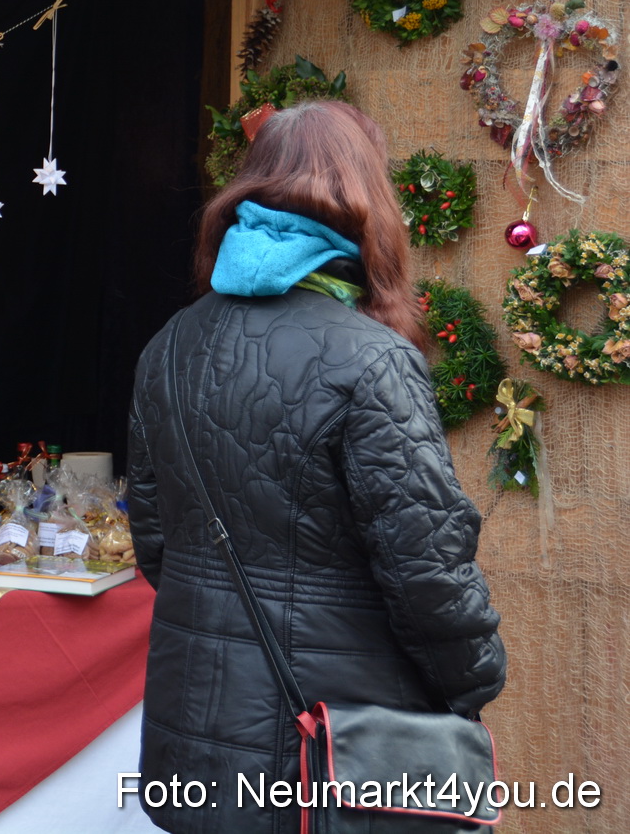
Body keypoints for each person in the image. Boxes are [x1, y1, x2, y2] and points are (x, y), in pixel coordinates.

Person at [126, 101, 505, 833]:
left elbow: (156, 546)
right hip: (325, 753)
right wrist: (476, 681)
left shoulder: (168, 344)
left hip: (194, 741)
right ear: (365, 198)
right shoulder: (374, 359)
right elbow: (428, 574)